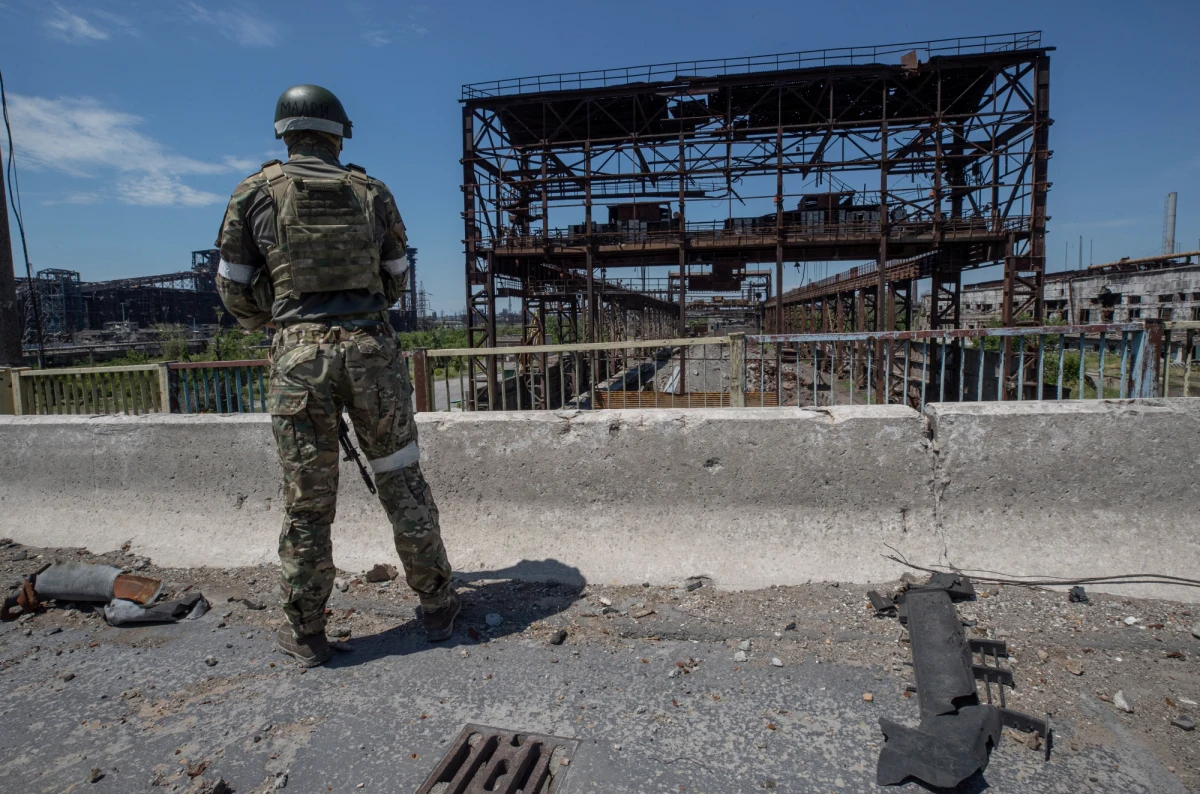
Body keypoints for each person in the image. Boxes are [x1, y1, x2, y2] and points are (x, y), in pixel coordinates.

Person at [214, 84, 458, 666]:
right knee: (401, 480)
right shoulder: (372, 191)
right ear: (339, 134)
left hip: (299, 362)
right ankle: (438, 606)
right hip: (372, 354)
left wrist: (281, 323)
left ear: (284, 132)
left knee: (308, 502)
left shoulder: (253, 192)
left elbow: (232, 287)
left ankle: (307, 633)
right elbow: (396, 276)